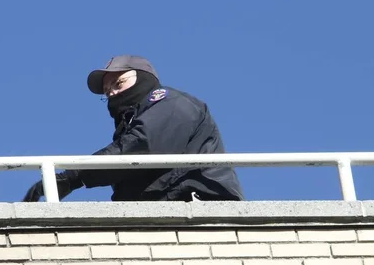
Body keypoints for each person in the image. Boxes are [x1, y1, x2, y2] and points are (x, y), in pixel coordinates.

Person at [23, 55, 244, 202]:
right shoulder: (130, 124)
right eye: (107, 91)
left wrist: (74, 177)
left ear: (144, 79)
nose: (111, 93)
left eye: (118, 84)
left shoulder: (173, 103)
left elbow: (141, 146)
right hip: (166, 214)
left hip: (201, 211)